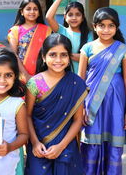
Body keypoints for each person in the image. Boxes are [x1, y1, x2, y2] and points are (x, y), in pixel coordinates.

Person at [78, 7, 126, 175]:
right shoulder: (87, 48)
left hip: (115, 104)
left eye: (111, 25)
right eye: (102, 25)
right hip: (91, 103)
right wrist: (80, 107)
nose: (106, 30)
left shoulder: (123, 50)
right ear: (94, 27)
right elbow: (80, 80)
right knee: (91, 142)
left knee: (113, 143)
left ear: (116, 27)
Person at [25, 33, 88, 175]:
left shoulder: (76, 83)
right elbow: (27, 116)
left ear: (69, 57)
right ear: (43, 56)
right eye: (52, 55)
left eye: (63, 55)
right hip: (39, 146)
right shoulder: (35, 83)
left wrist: (61, 146)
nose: (58, 60)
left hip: (66, 145)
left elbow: (78, 120)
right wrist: (35, 142)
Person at [46, 0, 92, 73]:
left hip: (82, 78)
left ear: (83, 18)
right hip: (62, 76)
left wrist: (64, 54)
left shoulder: (89, 35)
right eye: (70, 14)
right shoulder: (62, 31)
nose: (74, 18)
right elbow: (49, 17)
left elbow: (87, 58)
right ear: (65, 17)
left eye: (78, 14)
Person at [8, 0, 52, 82]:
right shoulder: (15, 30)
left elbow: (49, 52)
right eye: (28, 9)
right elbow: (13, 55)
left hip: (43, 74)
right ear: (22, 12)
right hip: (21, 75)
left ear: (39, 12)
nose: (32, 12)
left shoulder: (47, 30)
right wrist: (26, 75)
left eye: (35, 9)